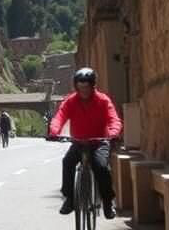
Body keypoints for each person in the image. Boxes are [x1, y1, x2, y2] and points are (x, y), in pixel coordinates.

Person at [48, 67, 123, 220]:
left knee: (101, 167)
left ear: (92, 86)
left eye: (86, 87)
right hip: (79, 142)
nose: (83, 91)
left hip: (99, 141)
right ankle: (69, 199)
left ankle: (108, 202)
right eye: (80, 87)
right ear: (76, 87)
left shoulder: (102, 100)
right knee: (67, 162)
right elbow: (59, 117)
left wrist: (114, 133)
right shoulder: (71, 101)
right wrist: (54, 131)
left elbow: (113, 119)